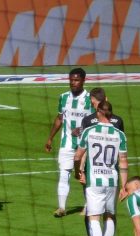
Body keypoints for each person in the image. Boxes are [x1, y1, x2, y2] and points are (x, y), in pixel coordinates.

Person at [73, 101, 128, 236]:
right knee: (110, 215)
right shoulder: (119, 134)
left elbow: (77, 156)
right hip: (112, 180)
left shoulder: (89, 131)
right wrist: (124, 186)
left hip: (94, 180)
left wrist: (78, 172)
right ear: (111, 114)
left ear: (98, 112)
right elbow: (123, 161)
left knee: (94, 216)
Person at [45, 68, 94, 217]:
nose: (73, 83)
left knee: (83, 175)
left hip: (85, 145)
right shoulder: (63, 97)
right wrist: (50, 138)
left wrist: (81, 128)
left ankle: (88, 206)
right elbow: (60, 118)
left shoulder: (89, 99)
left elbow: (96, 119)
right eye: (71, 80)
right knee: (64, 173)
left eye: (76, 80)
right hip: (66, 143)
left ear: (83, 81)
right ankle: (61, 208)